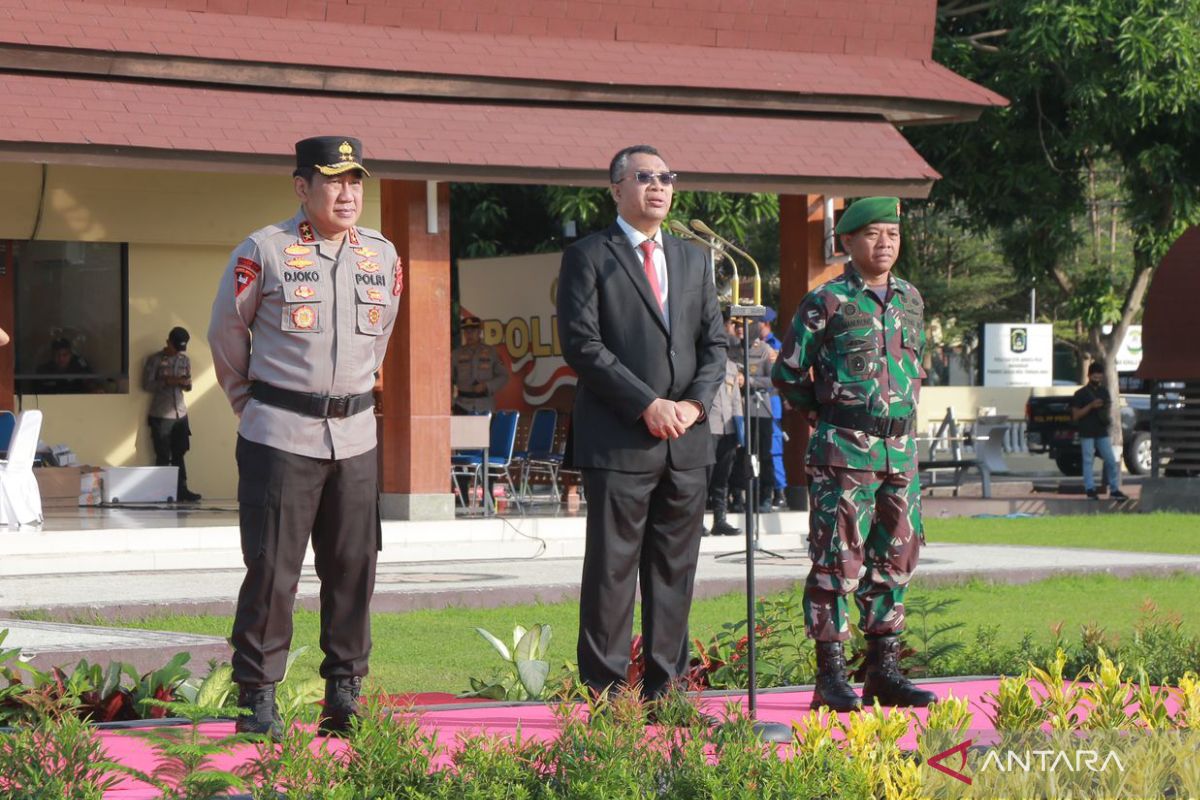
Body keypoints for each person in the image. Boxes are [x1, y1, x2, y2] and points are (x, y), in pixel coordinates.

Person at [208, 136, 403, 739]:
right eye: (334, 181)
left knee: (354, 565)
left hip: (356, 435)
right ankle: (257, 697)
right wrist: (252, 405)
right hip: (279, 433)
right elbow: (226, 336)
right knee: (272, 569)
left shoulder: (383, 256)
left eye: (356, 182)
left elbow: (383, 337)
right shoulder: (264, 251)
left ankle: (344, 692)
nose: (348, 194)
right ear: (302, 187)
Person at [556, 144, 726, 707]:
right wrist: (646, 403)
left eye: (667, 177)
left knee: (674, 574)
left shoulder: (694, 258)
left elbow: (714, 346)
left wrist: (694, 407)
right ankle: (606, 698)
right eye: (645, 177)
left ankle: (667, 692)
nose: (659, 186)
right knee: (611, 574)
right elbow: (583, 345)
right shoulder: (588, 255)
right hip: (620, 440)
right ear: (616, 189)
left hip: (687, 443)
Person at [772, 196, 936, 712]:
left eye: (892, 233)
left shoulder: (911, 299)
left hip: (901, 454)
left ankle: (883, 672)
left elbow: (915, 370)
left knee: (896, 560)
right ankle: (831, 678)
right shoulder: (828, 301)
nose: (884, 243)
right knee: (836, 563)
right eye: (872, 234)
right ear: (847, 242)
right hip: (844, 455)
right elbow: (790, 373)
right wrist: (828, 418)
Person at [142, 326, 201, 502]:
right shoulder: (155, 360)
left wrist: (185, 383)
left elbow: (189, 384)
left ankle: (182, 491)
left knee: (180, 453)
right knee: (162, 454)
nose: (178, 352)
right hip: (161, 414)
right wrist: (167, 381)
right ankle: (161, 493)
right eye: (176, 347)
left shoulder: (185, 360)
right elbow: (146, 385)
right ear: (168, 342)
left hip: (180, 414)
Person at [1071, 362, 1129, 501]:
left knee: (1110, 459)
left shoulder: (1104, 392)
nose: (1097, 379)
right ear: (1089, 375)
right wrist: (1091, 406)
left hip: (1102, 431)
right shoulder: (1080, 394)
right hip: (1086, 431)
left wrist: (1103, 408)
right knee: (1088, 461)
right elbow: (1075, 415)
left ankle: (1114, 489)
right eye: (1094, 376)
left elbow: (1107, 409)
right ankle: (1090, 489)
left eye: (1099, 376)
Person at [704, 329, 743, 537]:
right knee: (703, 476)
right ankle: (696, 520)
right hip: (708, 427)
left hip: (727, 428)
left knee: (722, 476)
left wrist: (739, 432)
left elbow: (736, 400)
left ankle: (720, 519)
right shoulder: (703, 364)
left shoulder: (732, 368)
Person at [451, 316, 508, 414]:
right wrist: (450, 401)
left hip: (485, 406)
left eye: (472, 331)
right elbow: (447, 379)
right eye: (466, 331)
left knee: (485, 429)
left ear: (479, 332)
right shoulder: (456, 354)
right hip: (462, 405)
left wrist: (487, 386)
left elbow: (504, 376)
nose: (469, 335)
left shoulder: (491, 352)